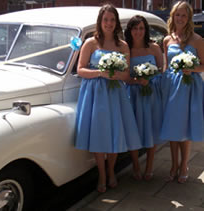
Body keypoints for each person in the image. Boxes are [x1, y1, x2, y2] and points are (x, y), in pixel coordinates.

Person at [75, 4, 142, 193]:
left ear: (116, 22)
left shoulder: (123, 46)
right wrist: (100, 73)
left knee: (114, 132)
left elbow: (126, 74)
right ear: (100, 21)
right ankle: (102, 176)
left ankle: (111, 171)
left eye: (112, 20)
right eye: (106, 19)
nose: (109, 23)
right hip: (95, 95)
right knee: (99, 133)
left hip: (116, 95)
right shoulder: (90, 43)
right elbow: (81, 69)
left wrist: (115, 75)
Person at [161, 1, 204, 184]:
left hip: (189, 87)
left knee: (185, 126)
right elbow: (165, 65)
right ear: (172, 16)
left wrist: (192, 69)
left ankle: (184, 164)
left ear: (189, 18)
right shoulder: (167, 40)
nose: (180, 18)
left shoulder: (197, 40)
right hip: (171, 86)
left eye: (183, 15)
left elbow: (203, 65)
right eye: (177, 15)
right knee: (172, 126)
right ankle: (174, 163)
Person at [124, 15, 164, 181]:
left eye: (141, 28)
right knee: (134, 129)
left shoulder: (154, 48)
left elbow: (161, 69)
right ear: (130, 30)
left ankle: (149, 165)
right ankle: (135, 164)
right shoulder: (126, 49)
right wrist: (136, 80)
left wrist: (150, 77)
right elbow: (124, 75)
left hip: (151, 93)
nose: (138, 32)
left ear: (146, 30)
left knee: (151, 127)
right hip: (132, 93)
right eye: (135, 28)